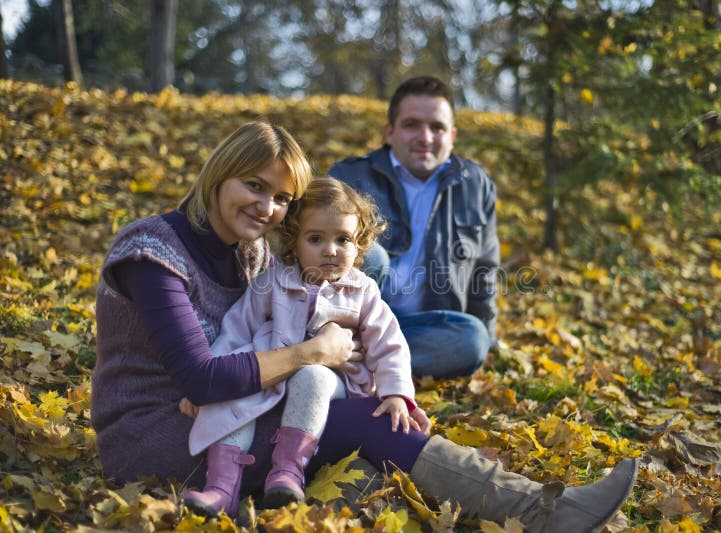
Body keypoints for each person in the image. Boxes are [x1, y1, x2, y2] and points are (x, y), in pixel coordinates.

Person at [91, 119, 638, 532]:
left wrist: (367, 370)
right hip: (162, 430)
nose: (267, 207)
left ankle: (487, 507)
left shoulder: (250, 254)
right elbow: (201, 380)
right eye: (254, 186)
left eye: (281, 198)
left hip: (243, 406)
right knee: (376, 427)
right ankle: (543, 511)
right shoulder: (153, 251)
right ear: (219, 175)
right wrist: (315, 352)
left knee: (368, 460)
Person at [182, 177, 428, 515]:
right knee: (235, 390)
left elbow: (390, 345)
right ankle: (221, 488)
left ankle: (287, 472)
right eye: (315, 239)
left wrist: (397, 393)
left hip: (333, 383)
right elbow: (236, 330)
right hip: (272, 372)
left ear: (360, 244)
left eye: (343, 239)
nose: (330, 250)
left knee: (311, 376)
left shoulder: (362, 291)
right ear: (293, 242)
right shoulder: (272, 282)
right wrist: (213, 386)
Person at [328, 75, 499, 380]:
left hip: (419, 330)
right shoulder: (349, 177)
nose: (425, 137)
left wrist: (488, 342)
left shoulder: (476, 185)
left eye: (437, 127)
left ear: (452, 135)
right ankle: (351, 356)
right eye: (412, 125)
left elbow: (483, 273)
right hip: (350, 322)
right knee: (372, 255)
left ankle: (356, 365)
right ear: (390, 132)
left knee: (473, 338)